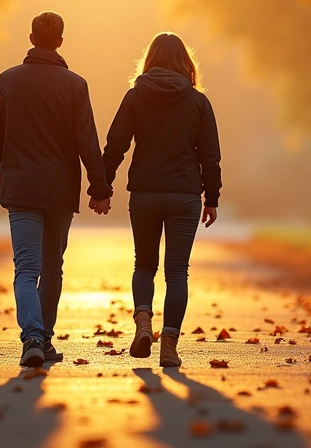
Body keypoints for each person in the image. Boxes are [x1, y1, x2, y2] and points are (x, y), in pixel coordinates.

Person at [0, 11, 112, 367]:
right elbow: (86, 140)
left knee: (26, 268)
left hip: (21, 186)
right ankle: (44, 339)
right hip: (58, 190)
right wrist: (98, 187)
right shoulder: (74, 85)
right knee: (52, 267)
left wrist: (10, 170)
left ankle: (33, 339)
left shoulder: (8, 80)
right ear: (60, 41)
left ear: (30, 39)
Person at [101, 32, 222, 368]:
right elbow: (210, 156)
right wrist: (211, 198)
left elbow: (116, 145)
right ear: (185, 61)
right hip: (184, 194)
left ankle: (143, 323)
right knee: (177, 272)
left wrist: (102, 186)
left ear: (150, 59)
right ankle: (168, 345)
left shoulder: (136, 96)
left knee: (144, 264)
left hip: (144, 193)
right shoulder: (198, 101)